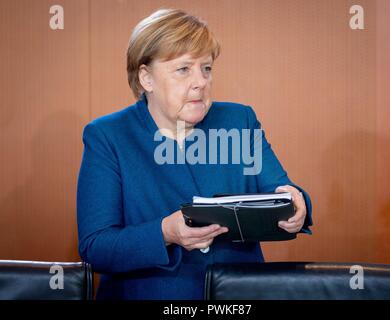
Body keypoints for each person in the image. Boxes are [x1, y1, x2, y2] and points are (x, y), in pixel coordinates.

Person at [77, 8, 313, 300]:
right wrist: (165, 232)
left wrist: (297, 205)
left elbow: (279, 190)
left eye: (207, 68)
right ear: (146, 78)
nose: (201, 81)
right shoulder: (108, 135)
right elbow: (96, 247)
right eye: (183, 69)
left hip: (236, 296)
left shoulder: (239, 120)